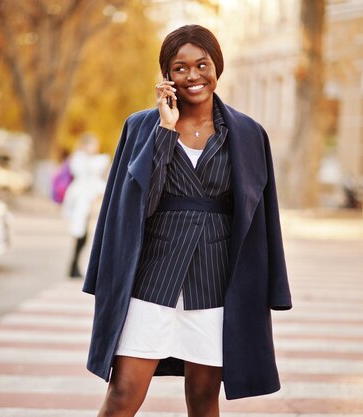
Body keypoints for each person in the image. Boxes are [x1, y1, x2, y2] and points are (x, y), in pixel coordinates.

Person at [82, 25, 292, 416]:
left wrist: (272, 287)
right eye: (180, 68)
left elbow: (262, 218)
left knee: (202, 399)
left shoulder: (248, 134)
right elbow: (133, 205)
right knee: (123, 394)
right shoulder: (141, 126)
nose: (193, 76)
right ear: (166, 75)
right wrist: (165, 127)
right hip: (151, 280)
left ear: (217, 67)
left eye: (202, 65)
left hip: (213, 285)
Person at [61, 133, 110, 278]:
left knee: (83, 236)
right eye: (93, 144)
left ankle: (75, 266)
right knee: (80, 235)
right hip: (80, 201)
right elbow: (88, 174)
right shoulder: (80, 159)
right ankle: (73, 267)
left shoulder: (88, 160)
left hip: (86, 202)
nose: (95, 148)